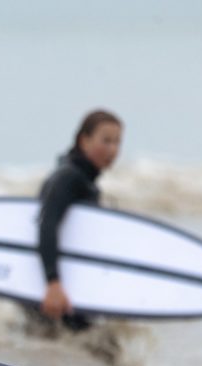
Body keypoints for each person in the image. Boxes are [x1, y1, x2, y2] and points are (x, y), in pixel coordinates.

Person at [35, 109, 123, 330]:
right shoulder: (69, 177)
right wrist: (52, 283)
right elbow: (47, 224)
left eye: (117, 142)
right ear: (84, 140)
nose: (113, 149)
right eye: (106, 141)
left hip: (68, 290)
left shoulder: (84, 181)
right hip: (54, 294)